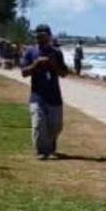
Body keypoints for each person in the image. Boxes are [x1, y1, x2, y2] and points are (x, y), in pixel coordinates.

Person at [20, 24, 67, 160]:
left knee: (56, 126)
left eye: (44, 36)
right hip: (37, 95)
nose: (41, 39)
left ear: (49, 36)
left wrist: (53, 65)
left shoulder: (56, 52)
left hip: (54, 95)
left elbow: (64, 73)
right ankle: (42, 151)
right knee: (39, 124)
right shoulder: (30, 52)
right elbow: (23, 72)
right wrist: (36, 64)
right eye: (38, 36)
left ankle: (50, 149)